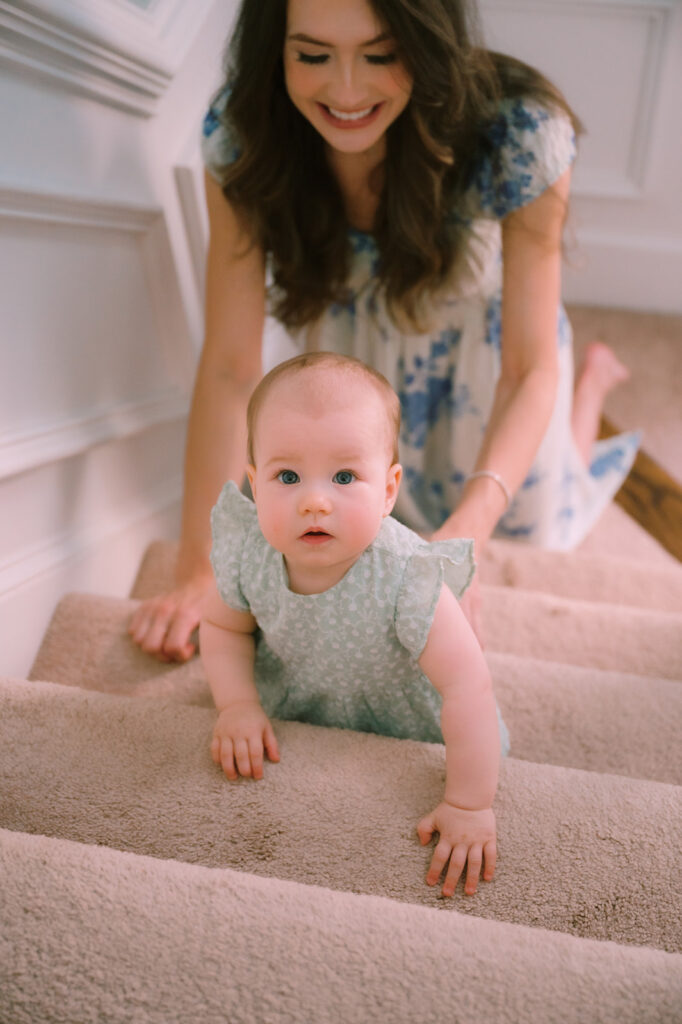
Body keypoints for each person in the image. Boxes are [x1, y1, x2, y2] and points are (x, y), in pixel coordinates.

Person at [129, 0, 638, 662]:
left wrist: (466, 536)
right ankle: (589, 386)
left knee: (543, 532)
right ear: (274, 48)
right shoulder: (244, 136)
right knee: (354, 524)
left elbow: (529, 368)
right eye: (312, 55)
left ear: (427, 44)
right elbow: (231, 367)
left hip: (488, 376)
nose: (346, 91)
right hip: (357, 381)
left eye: (381, 55)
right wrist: (199, 569)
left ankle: (591, 386)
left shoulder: (519, 131)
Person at [201, 351, 508, 898]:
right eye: (287, 476)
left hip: (402, 721)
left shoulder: (405, 577)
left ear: (389, 490)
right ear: (254, 483)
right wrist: (237, 704)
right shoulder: (249, 551)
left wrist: (469, 803)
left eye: (345, 476)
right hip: (299, 704)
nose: (315, 501)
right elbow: (223, 628)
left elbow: (469, 685)